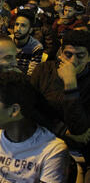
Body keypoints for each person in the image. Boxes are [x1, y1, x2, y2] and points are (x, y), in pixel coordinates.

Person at [31, 29, 90, 163]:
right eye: (68, 54)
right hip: (41, 140)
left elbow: (79, 130)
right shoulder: (43, 70)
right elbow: (29, 107)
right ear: (60, 53)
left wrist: (70, 84)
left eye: (80, 56)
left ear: (89, 57)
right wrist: (62, 130)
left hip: (76, 151)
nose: (73, 61)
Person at [10, 10, 44, 76]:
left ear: (30, 30)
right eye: (16, 24)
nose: (18, 29)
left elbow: (31, 74)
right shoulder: (7, 41)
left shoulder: (36, 47)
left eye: (23, 26)